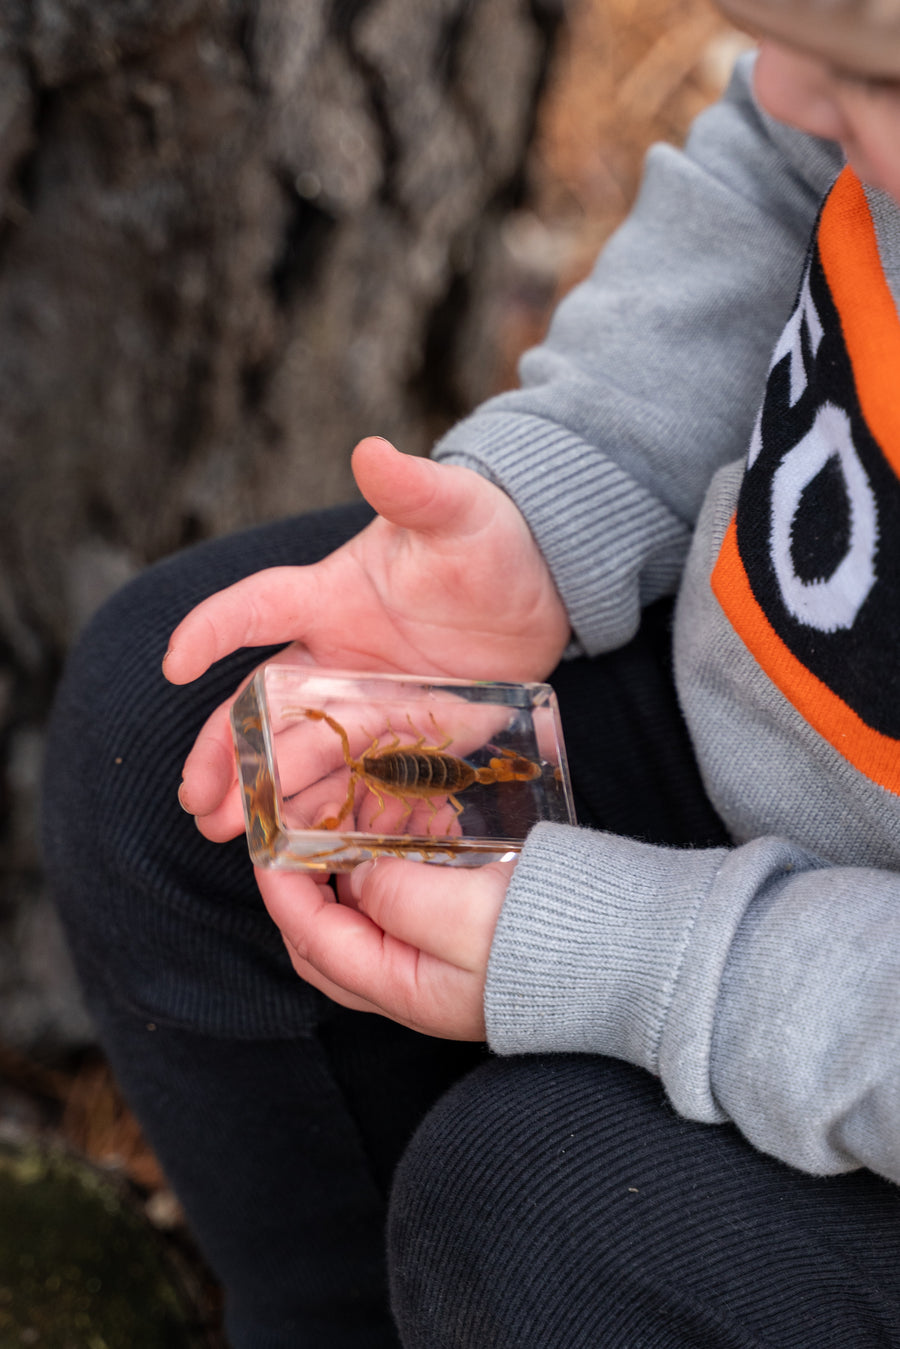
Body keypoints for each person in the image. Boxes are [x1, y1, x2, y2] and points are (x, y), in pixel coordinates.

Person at [42, 0, 900, 1344]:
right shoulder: (828, 90)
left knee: (549, 1218)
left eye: (876, 85)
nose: (775, 85)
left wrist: (652, 956)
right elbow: (783, 177)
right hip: (758, 736)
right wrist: (555, 510)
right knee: (189, 755)